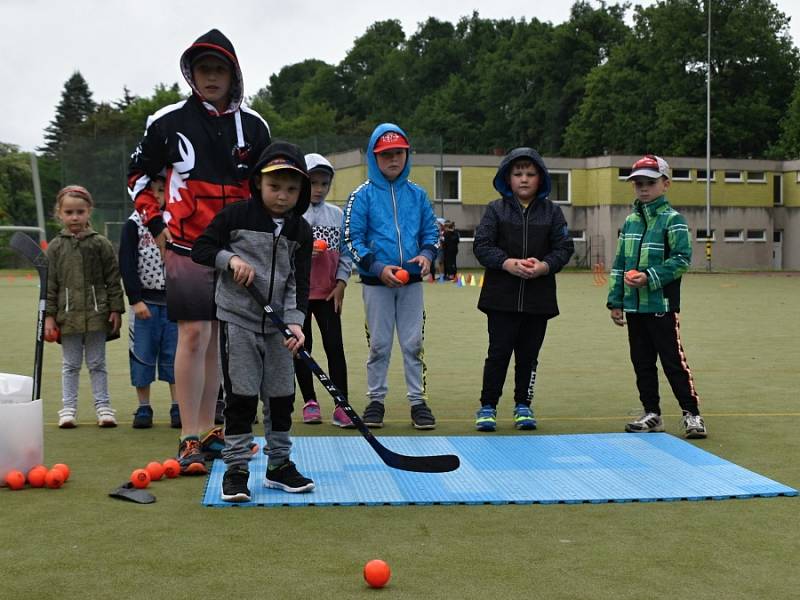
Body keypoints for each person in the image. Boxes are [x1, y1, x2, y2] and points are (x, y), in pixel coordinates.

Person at [127, 29, 271, 474]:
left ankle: (211, 432)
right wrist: (156, 225)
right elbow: (136, 176)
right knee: (194, 335)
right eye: (203, 68)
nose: (211, 77)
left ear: (233, 75)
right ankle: (189, 437)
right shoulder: (166, 121)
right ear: (191, 74)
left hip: (237, 252)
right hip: (186, 247)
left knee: (217, 343)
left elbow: (264, 189)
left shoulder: (255, 125)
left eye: (219, 69)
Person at [192, 141, 315, 502]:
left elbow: (299, 282)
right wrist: (229, 260)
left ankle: (279, 465)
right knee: (241, 397)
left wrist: (295, 323)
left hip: (279, 328)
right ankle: (236, 468)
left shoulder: (300, 231)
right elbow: (202, 248)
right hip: (239, 321)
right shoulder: (235, 217)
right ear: (258, 183)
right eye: (274, 186)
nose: (282, 196)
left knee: (281, 397)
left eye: (291, 189)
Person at [342, 124, 439, 430]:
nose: (393, 160)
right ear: (374, 157)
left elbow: (431, 233)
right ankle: (376, 401)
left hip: (411, 283)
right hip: (376, 283)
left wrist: (426, 255)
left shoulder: (418, 195)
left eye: (398, 153)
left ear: (407, 155)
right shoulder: (361, 196)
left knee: (413, 342)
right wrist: (377, 268)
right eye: (386, 155)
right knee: (380, 344)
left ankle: (417, 402)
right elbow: (351, 238)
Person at [472, 148, 574, 432]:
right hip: (500, 299)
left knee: (528, 356)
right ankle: (487, 406)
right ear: (508, 178)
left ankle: (523, 405)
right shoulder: (495, 209)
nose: (524, 179)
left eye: (530, 174)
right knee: (498, 353)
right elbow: (482, 246)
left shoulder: (553, 212)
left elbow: (564, 248)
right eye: (518, 174)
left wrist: (543, 266)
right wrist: (506, 263)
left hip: (537, 301)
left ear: (541, 179)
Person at [607, 154, 707, 439]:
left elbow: (681, 260)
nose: (643, 188)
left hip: (661, 305)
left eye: (650, 182)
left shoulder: (672, 220)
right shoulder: (629, 222)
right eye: (638, 182)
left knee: (672, 361)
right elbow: (619, 265)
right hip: (634, 308)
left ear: (666, 184)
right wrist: (616, 301)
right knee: (642, 361)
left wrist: (648, 278)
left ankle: (692, 414)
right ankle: (652, 413)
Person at [44, 185, 125, 428]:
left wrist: (115, 309)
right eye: (69, 212)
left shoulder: (100, 244)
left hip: (97, 314)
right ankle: (68, 408)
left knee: (97, 364)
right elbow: (49, 285)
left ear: (89, 211)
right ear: (60, 213)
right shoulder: (56, 247)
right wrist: (49, 316)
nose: (75, 217)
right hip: (67, 317)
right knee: (70, 365)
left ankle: (104, 408)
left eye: (80, 211)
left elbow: (113, 278)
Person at [295, 153, 354, 428]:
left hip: (329, 294)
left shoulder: (337, 215)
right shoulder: (292, 215)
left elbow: (345, 253)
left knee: (334, 347)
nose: (318, 189)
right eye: (313, 182)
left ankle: (342, 404)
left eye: (324, 184)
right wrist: (305, 252)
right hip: (297, 296)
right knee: (302, 348)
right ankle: (310, 402)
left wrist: (341, 282)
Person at [118, 175, 179, 429]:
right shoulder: (133, 225)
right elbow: (127, 264)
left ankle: (178, 406)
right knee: (142, 355)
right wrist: (135, 299)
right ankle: (144, 407)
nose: (156, 196)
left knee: (175, 357)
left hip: (175, 303)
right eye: (151, 191)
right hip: (145, 303)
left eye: (161, 190)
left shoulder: (175, 222)